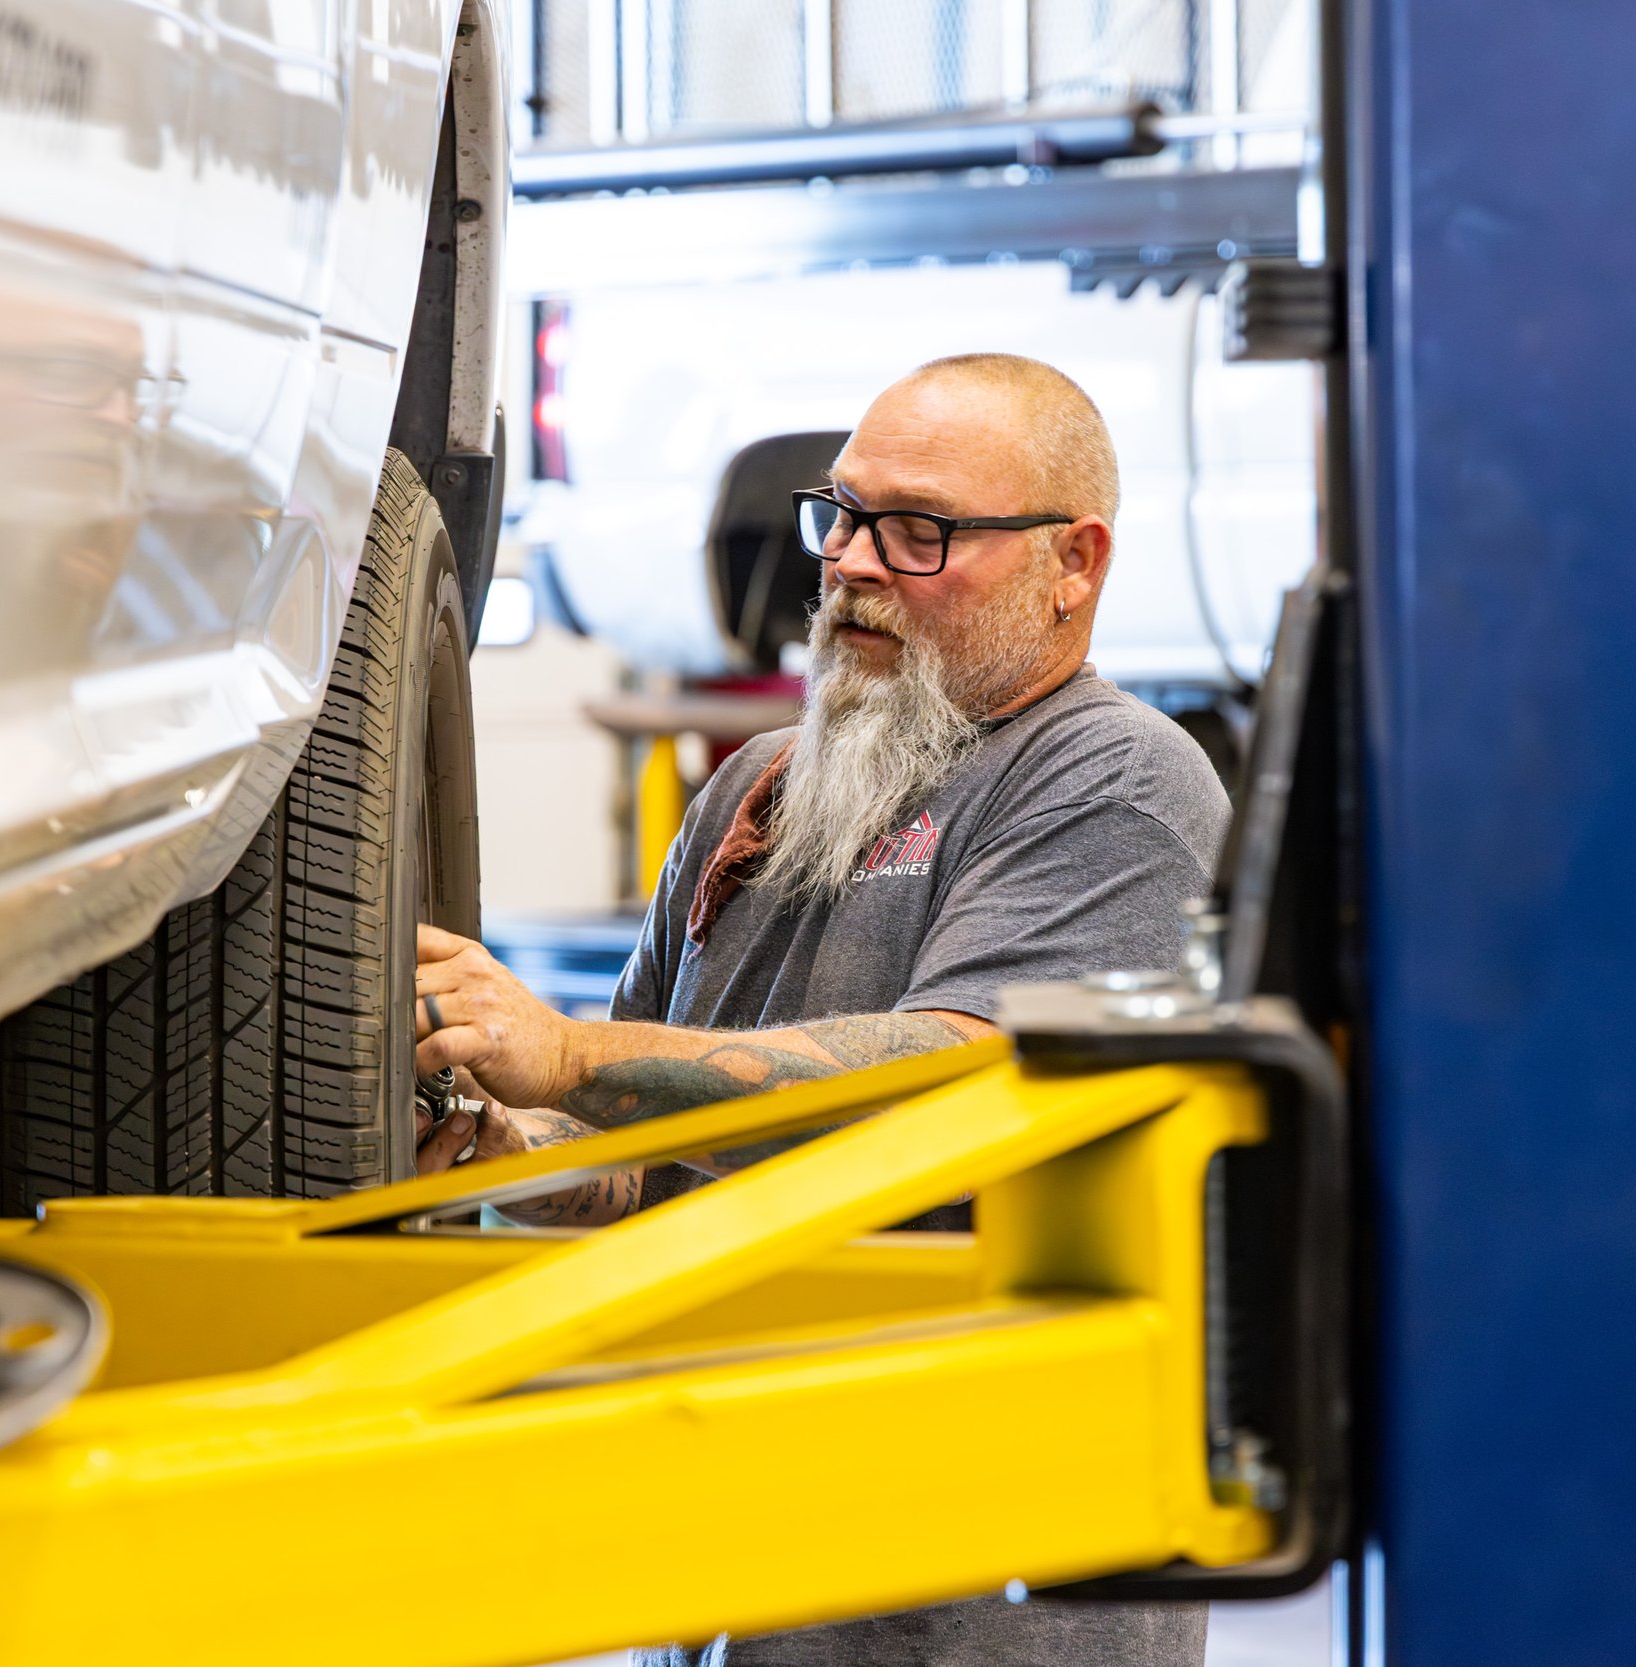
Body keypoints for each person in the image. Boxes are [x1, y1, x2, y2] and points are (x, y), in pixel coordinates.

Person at [411, 352, 1230, 1666]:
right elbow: (636, 1168)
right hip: (738, 1568)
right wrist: (509, 1159)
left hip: (971, 1603)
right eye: (841, 515)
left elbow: (953, 1088)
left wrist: (564, 1051)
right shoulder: (760, 785)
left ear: (1073, 564)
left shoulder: (1113, 776)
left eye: (921, 531)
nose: (850, 560)